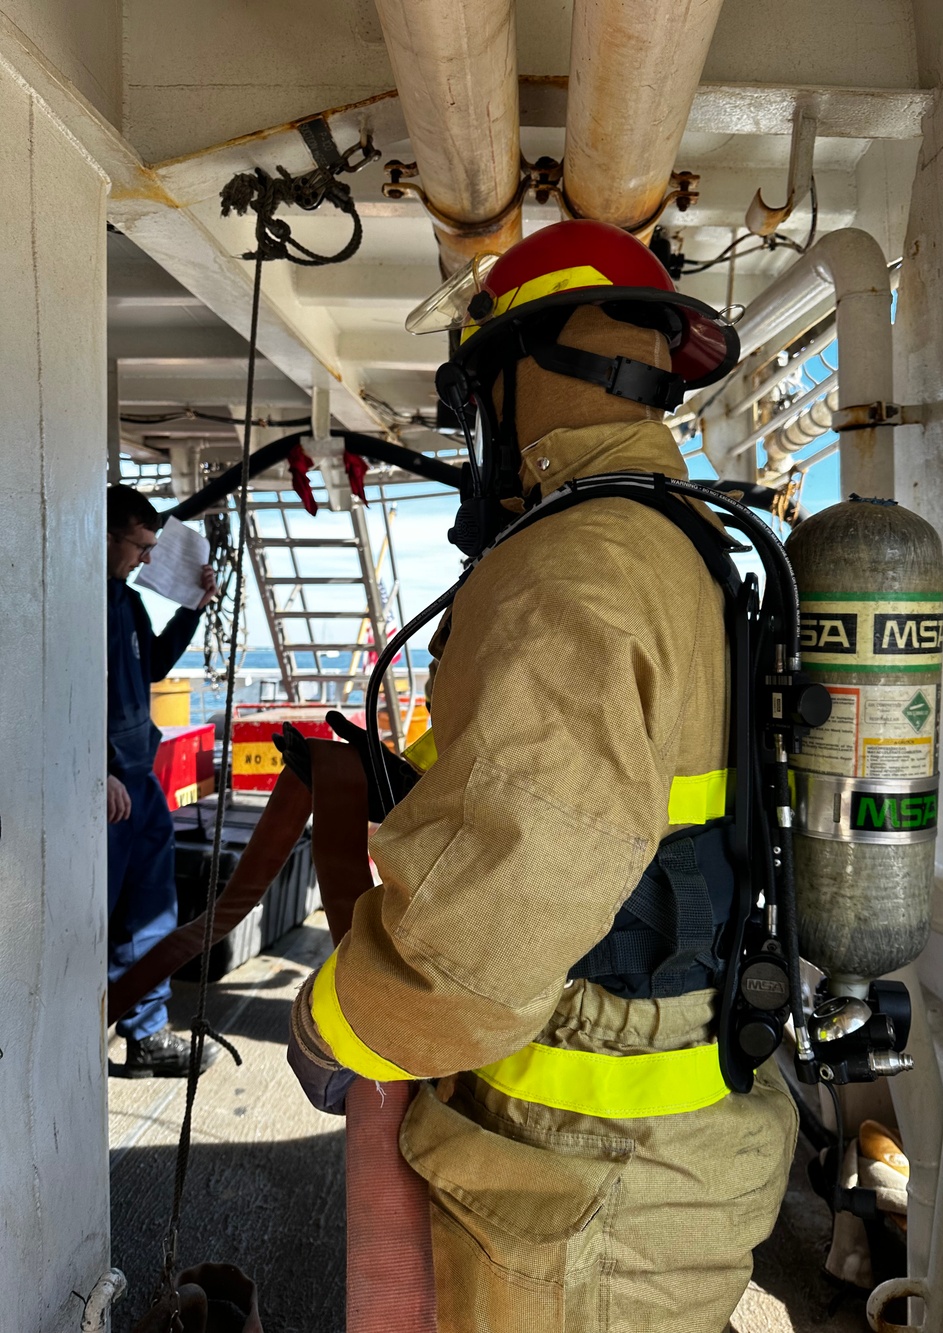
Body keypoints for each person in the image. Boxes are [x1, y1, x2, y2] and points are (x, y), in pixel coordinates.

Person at [289, 220, 799, 1331]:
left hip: (585, 1191)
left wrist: (333, 1021)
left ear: (530, 371)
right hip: (657, 1156)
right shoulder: (685, 545)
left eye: (479, 396)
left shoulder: (571, 566)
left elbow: (492, 919)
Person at [106, 484, 219, 1078]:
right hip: (103, 788)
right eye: (140, 546)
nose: (146, 559)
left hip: (139, 779)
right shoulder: (71, 603)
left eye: (153, 548)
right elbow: (50, 693)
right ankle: (78, 1027)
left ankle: (145, 1033)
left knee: (152, 907)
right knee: (94, 910)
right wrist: (94, 768)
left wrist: (193, 609)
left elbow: (150, 666)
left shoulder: (124, 602)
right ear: (103, 535)